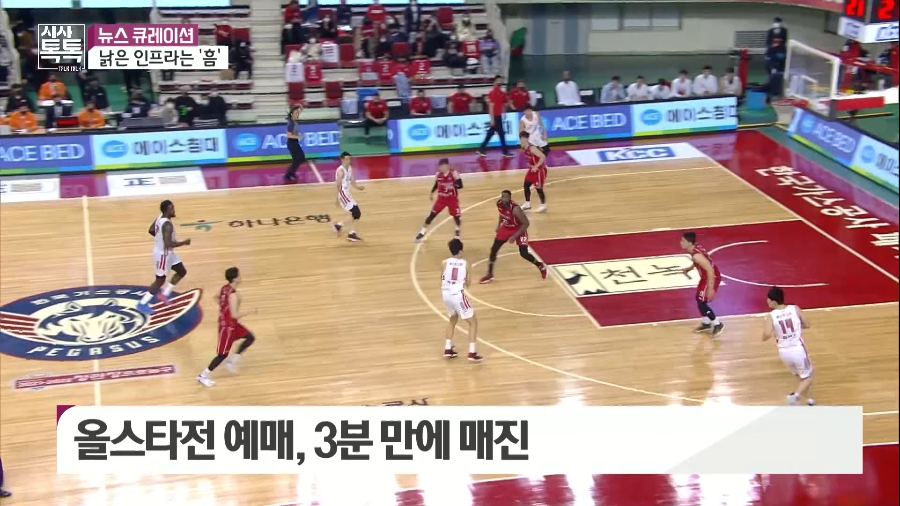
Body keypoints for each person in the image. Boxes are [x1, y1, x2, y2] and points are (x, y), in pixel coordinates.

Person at [197, 267, 257, 387]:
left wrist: (224, 307)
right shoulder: (233, 295)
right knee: (222, 355)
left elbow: (216, 297)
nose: (240, 277)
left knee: (250, 337)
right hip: (227, 327)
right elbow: (234, 315)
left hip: (233, 325)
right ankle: (203, 376)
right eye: (239, 275)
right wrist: (250, 311)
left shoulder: (225, 288)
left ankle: (232, 361)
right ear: (235, 279)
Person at [479, 190, 547, 284]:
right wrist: (499, 225)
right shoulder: (499, 203)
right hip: (506, 227)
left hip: (518, 228)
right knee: (494, 249)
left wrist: (514, 236)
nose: (504, 199)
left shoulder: (515, 209)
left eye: (506, 197)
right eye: (503, 197)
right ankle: (489, 274)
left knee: (524, 253)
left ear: (510, 198)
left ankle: (540, 266)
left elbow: (526, 223)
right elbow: (501, 214)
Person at [762, 286, 814, 406]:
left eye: (768, 299)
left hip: (784, 353)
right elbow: (807, 324)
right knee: (808, 377)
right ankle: (795, 397)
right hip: (798, 350)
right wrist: (797, 327)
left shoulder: (771, 316)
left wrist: (765, 337)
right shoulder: (794, 308)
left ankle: (809, 399)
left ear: (774, 302)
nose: (767, 301)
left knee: (800, 376)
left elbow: (767, 334)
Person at [137, 200, 191, 315]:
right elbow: (168, 244)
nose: (174, 210)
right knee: (160, 280)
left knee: (181, 271)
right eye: (172, 208)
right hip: (163, 255)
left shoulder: (159, 217)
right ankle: (142, 303)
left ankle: (164, 294)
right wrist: (184, 242)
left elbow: (151, 230)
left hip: (168, 253)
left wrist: (159, 239)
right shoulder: (167, 225)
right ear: (167, 210)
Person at [441, 239, 482, 362]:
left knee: (452, 319)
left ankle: (448, 349)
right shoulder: (466, 263)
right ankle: (472, 352)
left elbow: (442, 278)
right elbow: (468, 283)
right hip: (457, 295)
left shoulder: (444, 262)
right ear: (461, 250)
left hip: (445, 294)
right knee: (473, 322)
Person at [680, 232, 724, 336]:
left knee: (702, 302)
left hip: (711, 277)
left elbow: (710, 270)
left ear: (690, 243)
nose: (681, 243)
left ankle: (717, 324)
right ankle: (706, 323)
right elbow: (701, 262)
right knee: (699, 298)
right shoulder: (695, 249)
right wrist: (689, 269)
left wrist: (710, 288)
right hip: (706, 277)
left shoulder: (696, 256)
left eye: (683, 241)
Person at [416, 158, 462, 243]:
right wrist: (432, 192)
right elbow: (437, 184)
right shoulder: (438, 175)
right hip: (441, 199)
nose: (440, 168)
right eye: (439, 167)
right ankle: (422, 232)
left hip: (452, 199)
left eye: (442, 166)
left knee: (456, 217)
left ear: (447, 166)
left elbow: (460, 185)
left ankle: (457, 229)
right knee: (431, 215)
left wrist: (453, 185)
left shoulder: (453, 173)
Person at [477, 75, 513, 158]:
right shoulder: (493, 93)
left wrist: (505, 110)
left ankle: (482, 149)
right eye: (498, 80)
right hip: (495, 116)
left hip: (499, 116)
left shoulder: (502, 93)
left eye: (500, 80)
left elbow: (505, 103)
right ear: (494, 82)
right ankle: (504, 151)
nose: (500, 82)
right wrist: (492, 119)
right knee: (499, 134)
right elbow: (491, 106)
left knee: (493, 133)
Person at [333, 152, 365, 242]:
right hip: (342, 193)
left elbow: (353, 182)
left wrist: (358, 187)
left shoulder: (350, 168)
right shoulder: (340, 171)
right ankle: (341, 226)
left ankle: (350, 232)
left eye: (349, 159)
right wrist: (337, 198)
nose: (348, 161)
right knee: (355, 212)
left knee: (357, 214)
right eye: (346, 159)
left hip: (347, 193)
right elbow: (338, 185)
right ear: (342, 160)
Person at [519, 131, 548, 213]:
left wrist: (536, 166)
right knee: (526, 185)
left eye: (524, 138)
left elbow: (543, 156)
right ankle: (527, 204)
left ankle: (543, 205)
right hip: (532, 170)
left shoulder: (532, 148)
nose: (522, 140)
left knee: (538, 188)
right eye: (521, 138)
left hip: (539, 170)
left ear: (527, 138)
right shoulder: (524, 147)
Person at [284, 104, 311, 183]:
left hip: (295, 142)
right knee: (297, 159)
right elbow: (289, 135)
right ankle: (288, 175)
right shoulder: (291, 123)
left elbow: (299, 109)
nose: (297, 115)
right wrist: (299, 136)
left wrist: (300, 107)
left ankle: (292, 173)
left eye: (298, 113)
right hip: (292, 143)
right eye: (296, 113)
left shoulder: (294, 122)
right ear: (292, 114)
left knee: (301, 158)